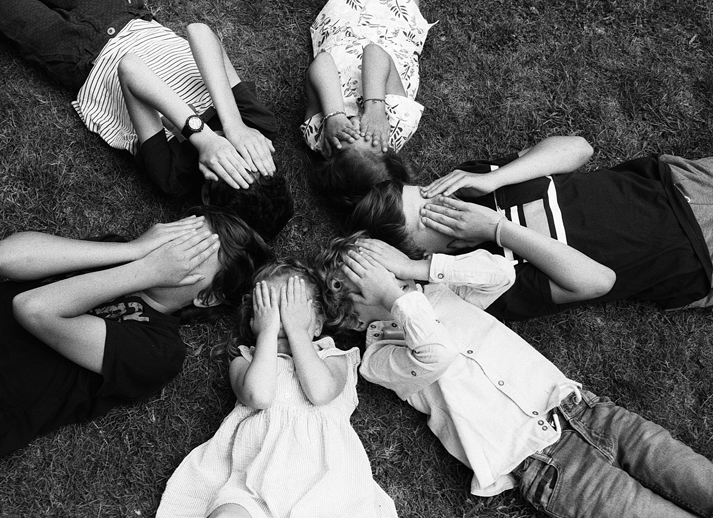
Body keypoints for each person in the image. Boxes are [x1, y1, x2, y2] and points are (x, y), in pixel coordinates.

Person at [315, 233, 713, 518]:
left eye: (391, 274)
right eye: (375, 286)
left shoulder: (440, 294)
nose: (396, 285)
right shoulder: (378, 358)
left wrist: (414, 268)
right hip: (547, 465)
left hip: (589, 412)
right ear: (352, 317)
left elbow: (500, 272)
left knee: (697, 477)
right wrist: (396, 298)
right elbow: (436, 353)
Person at [0, 206, 273, 465]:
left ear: (206, 296)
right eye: (179, 237)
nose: (170, 252)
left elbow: (34, 309)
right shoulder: (118, 253)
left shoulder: (160, 349)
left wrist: (146, 270)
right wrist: (131, 251)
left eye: (191, 256)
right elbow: (5, 257)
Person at [0, 0, 293, 241]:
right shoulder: (255, 126)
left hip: (77, 57)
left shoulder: (174, 176)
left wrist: (201, 138)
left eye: (227, 166)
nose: (232, 154)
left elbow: (131, 69)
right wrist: (232, 125)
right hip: (119, 14)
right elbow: (199, 32)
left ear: (206, 195)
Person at [347, 135, 713, 319]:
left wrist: (496, 178)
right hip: (696, 253)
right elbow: (599, 281)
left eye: (427, 194)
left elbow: (578, 149)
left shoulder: (473, 185)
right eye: (429, 216)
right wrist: (497, 230)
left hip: (679, 180)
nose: (442, 201)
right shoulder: (486, 282)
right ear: (430, 253)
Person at [156, 260, 397, 518]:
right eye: (269, 309)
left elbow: (320, 392)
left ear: (317, 325)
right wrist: (267, 333)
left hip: (326, 484)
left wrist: (297, 333)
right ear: (254, 322)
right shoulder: (245, 361)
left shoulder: (334, 358)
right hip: (252, 482)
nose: (282, 319)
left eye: (292, 309)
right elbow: (259, 396)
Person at [300, 0, 433, 208]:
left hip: (341, 28)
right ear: (387, 148)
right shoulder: (397, 124)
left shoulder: (319, 135)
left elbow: (322, 62)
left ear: (329, 150)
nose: (356, 123)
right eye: (366, 132)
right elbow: (375, 51)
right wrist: (375, 109)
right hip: (396, 31)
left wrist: (334, 115)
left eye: (347, 134)